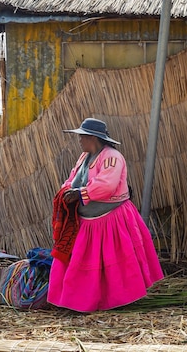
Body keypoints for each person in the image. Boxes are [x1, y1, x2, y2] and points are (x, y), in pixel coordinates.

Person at [48, 117, 164, 312]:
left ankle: (115, 300)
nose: (79, 141)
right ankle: (81, 300)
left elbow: (107, 186)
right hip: (87, 223)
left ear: (93, 138)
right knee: (82, 263)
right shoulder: (84, 158)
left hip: (112, 221)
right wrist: (66, 190)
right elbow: (72, 178)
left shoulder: (112, 157)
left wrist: (79, 194)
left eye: (82, 137)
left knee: (115, 265)